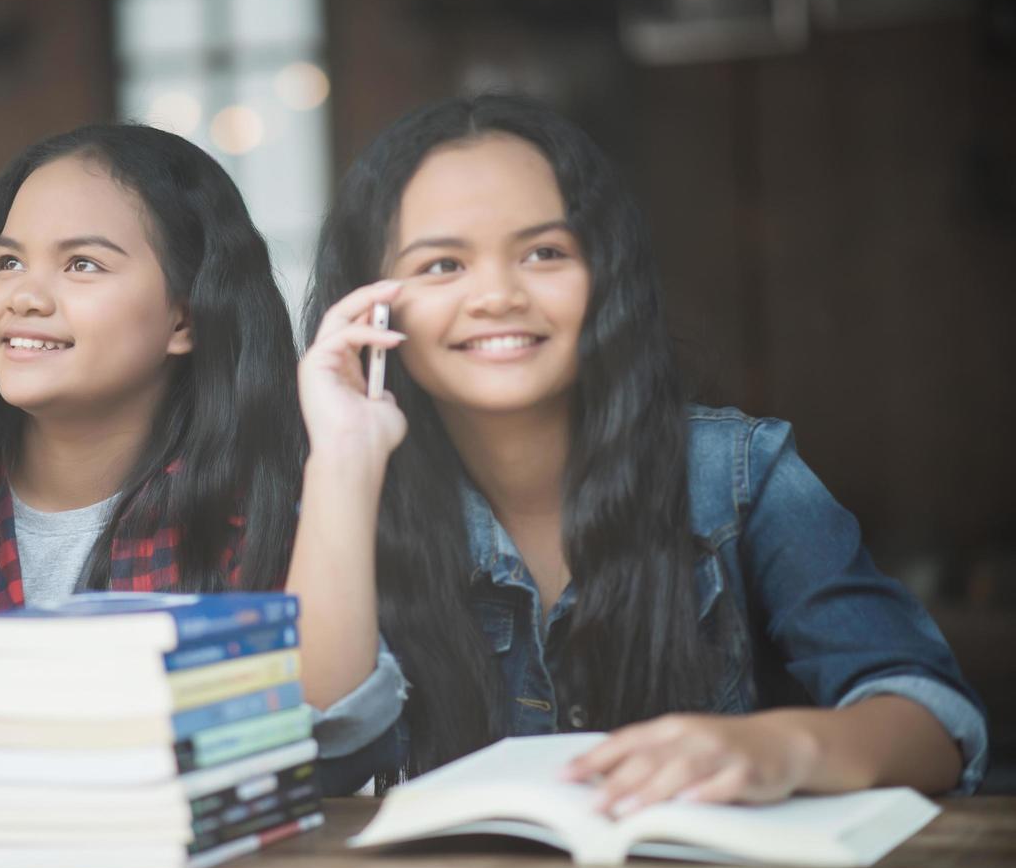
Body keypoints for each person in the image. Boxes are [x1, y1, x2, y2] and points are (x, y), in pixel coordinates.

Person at [290, 93, 987, 807]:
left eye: (544, 253)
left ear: (605, 276)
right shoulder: (343, 497)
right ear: (371, 303)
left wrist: (777, 747)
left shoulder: (738, 472)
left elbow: (936, 723)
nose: (497, 294)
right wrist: (343, 457)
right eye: (441, 265)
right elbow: (306, 760)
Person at [0, 123, 303, 820]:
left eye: (82, 265)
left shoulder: (263, 506)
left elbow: (299, 737)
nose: (24, 297)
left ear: (184, 317)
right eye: (8, 263)